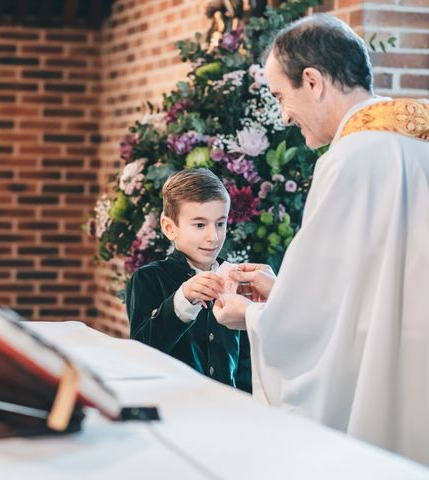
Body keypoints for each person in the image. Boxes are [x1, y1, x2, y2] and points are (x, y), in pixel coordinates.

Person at [212, 13, 429, 464]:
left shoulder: (350, 159)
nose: (284, 114)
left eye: (280, 96)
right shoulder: (414, 143)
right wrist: (284, 294)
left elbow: (308, 330)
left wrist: (251, 315)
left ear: (312, 81)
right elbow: (383, 285)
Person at [126, 168, 252, 392]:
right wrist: (182, 299)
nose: (213, 237)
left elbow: (245, 366)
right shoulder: (148, 279)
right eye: (200, 225)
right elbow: (141, 352)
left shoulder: (237, 281)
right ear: (169, 227)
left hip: (229, 413)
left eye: (220, 223)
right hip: (173, 409)